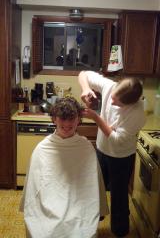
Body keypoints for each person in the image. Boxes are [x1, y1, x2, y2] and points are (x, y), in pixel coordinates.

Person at [20, 97, 108, 238]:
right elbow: (34, 186)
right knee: (42, 227)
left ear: (78, 120)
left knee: (81, 228)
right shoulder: (42, 148)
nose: (66, 130)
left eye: (71, 127)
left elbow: (91, 185)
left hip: (78, 202)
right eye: (62, 127)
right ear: (54, 120)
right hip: (49, 202)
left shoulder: (85, 147)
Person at [78, 71, 146, 237]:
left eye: (117, 103)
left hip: (122, 157)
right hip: (102, 150)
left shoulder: (138, 114)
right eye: (113, 97)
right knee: (96, 189)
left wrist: (96, 118)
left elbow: (115, 140)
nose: (112, 101)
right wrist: (86, 89)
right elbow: (83, 73)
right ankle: (92, 225)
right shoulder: (110, 86)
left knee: (119, 196)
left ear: (131, 104)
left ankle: (120, 231)